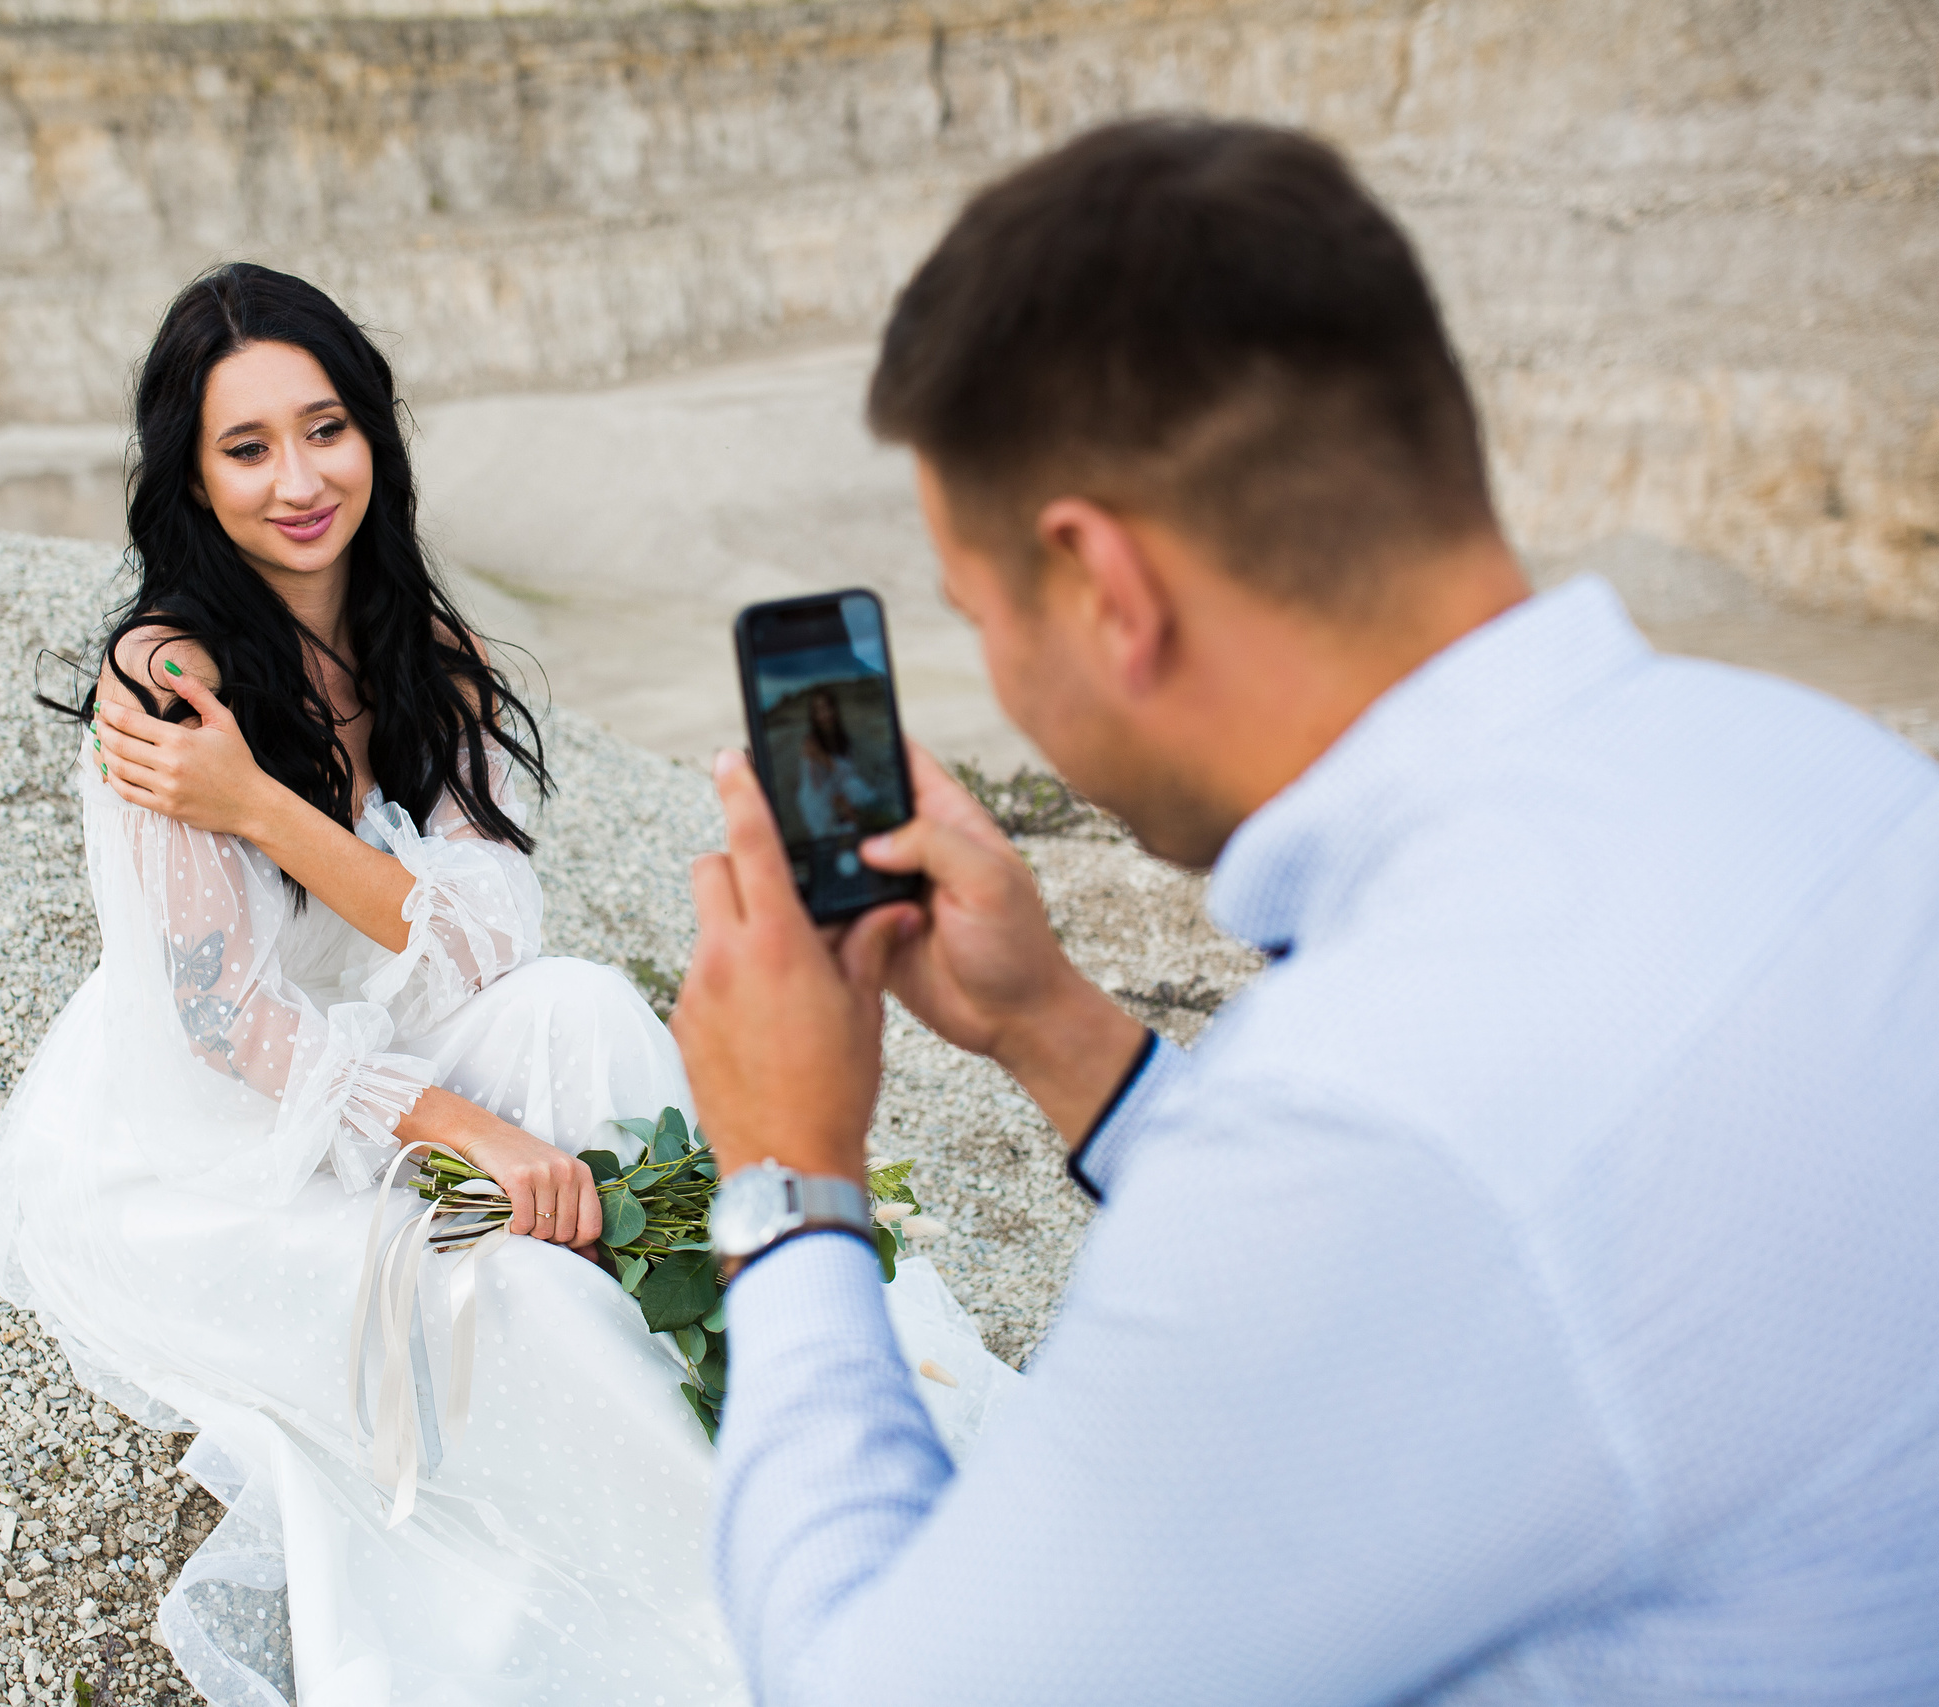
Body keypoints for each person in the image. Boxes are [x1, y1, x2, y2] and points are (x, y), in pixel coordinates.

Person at [672, 119, 1939, 1704]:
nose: (993, 664)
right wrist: (1057, 1027)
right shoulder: (1824, 767)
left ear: (1105, 588)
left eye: (979, 611)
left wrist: (790, 1172)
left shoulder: (1368, 1108)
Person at [0, 264, 742, 1706]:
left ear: (372, 435)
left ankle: (738, 1323)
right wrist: (478, 1129)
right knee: (509, 1295)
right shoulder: (169, 681)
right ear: (193, 479)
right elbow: (234, 1030)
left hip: (385, 1039)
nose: (297, 479)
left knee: (583, 1002)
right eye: (246, 447)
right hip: (219, 1146)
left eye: (323, 428)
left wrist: (267, 809)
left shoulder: (421, 647)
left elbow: (488, 940)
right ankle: (750, 1577)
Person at [792, 687, 876, 838]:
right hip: (817, 791)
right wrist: (839, 799)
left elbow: (848, 771)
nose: (824, 715)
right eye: (818, 711)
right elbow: (815, 782)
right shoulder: (810, 743)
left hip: (839, 781)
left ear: (834, 709)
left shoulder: (841, 737)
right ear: (814, 715)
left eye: (827, 708)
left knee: (856, 788)